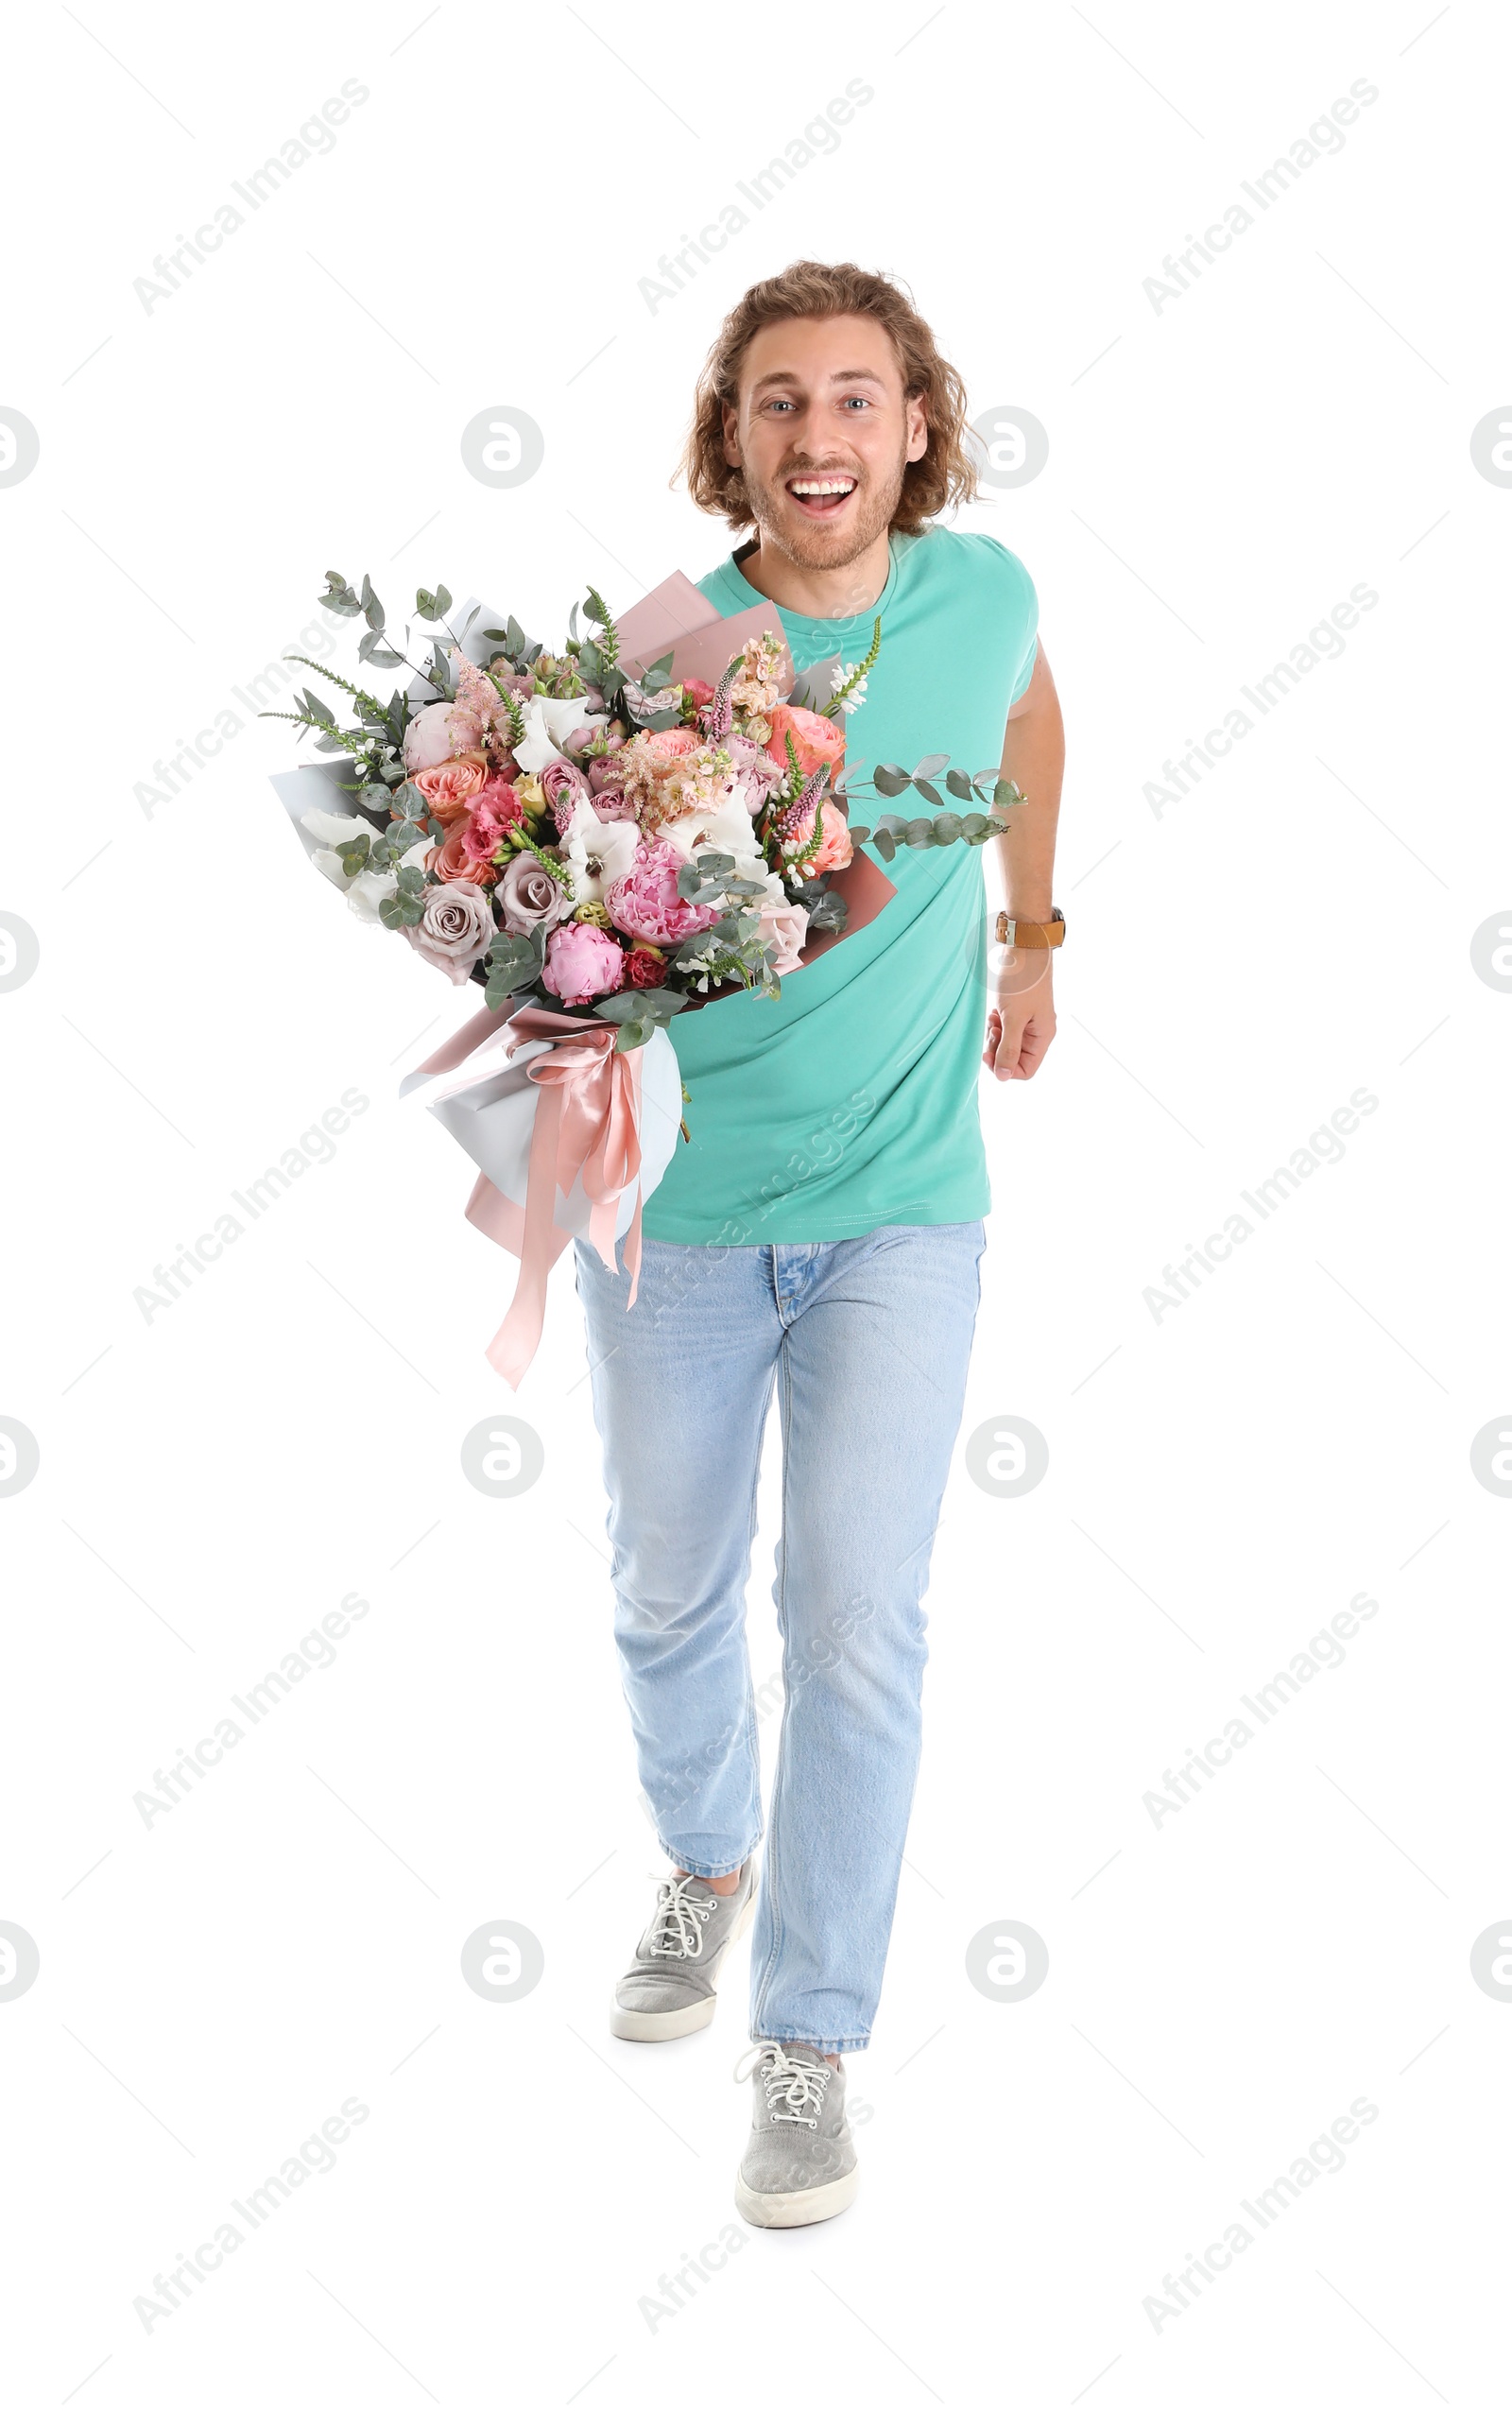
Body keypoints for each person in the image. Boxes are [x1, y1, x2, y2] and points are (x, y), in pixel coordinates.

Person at [575, 259, 1066, 2228]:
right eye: (778, 402)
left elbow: (1029, 714)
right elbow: (566, 923)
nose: (817, 437)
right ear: (734, 437)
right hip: (685, 1211)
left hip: (900, 1205)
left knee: (854, 1622)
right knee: (666, 1593)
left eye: (853, 398)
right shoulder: (670, 645)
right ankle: (707, 1864)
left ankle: (811, 2040)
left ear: (914, 426)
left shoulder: (985, 596)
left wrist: (1031, 928)